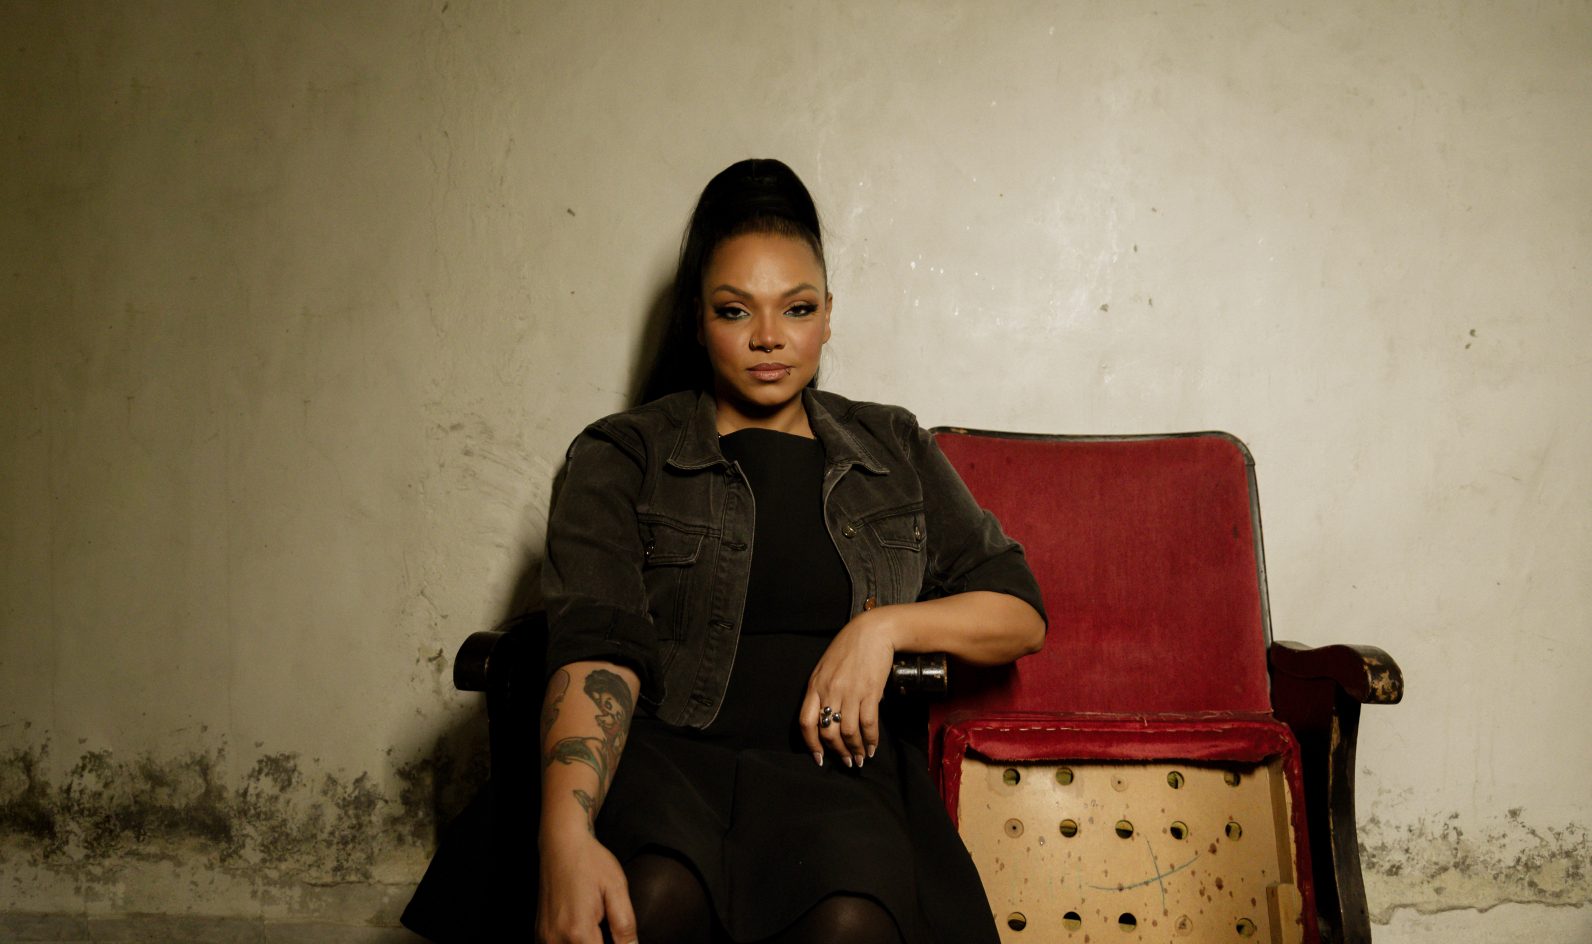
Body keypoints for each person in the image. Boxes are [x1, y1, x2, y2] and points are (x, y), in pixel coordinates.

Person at [536, 158, 1047, 944]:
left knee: (850, 921)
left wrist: (880, 629)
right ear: (698, 319)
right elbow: (597, 648)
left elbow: (1018, 613)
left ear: (828, 316)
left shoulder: (890, 446)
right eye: (735, 310)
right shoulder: (625, 452)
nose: (769, 338)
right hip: (666, 759)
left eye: (797, 308)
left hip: (836, 773)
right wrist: (565, 835)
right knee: (652, 896)